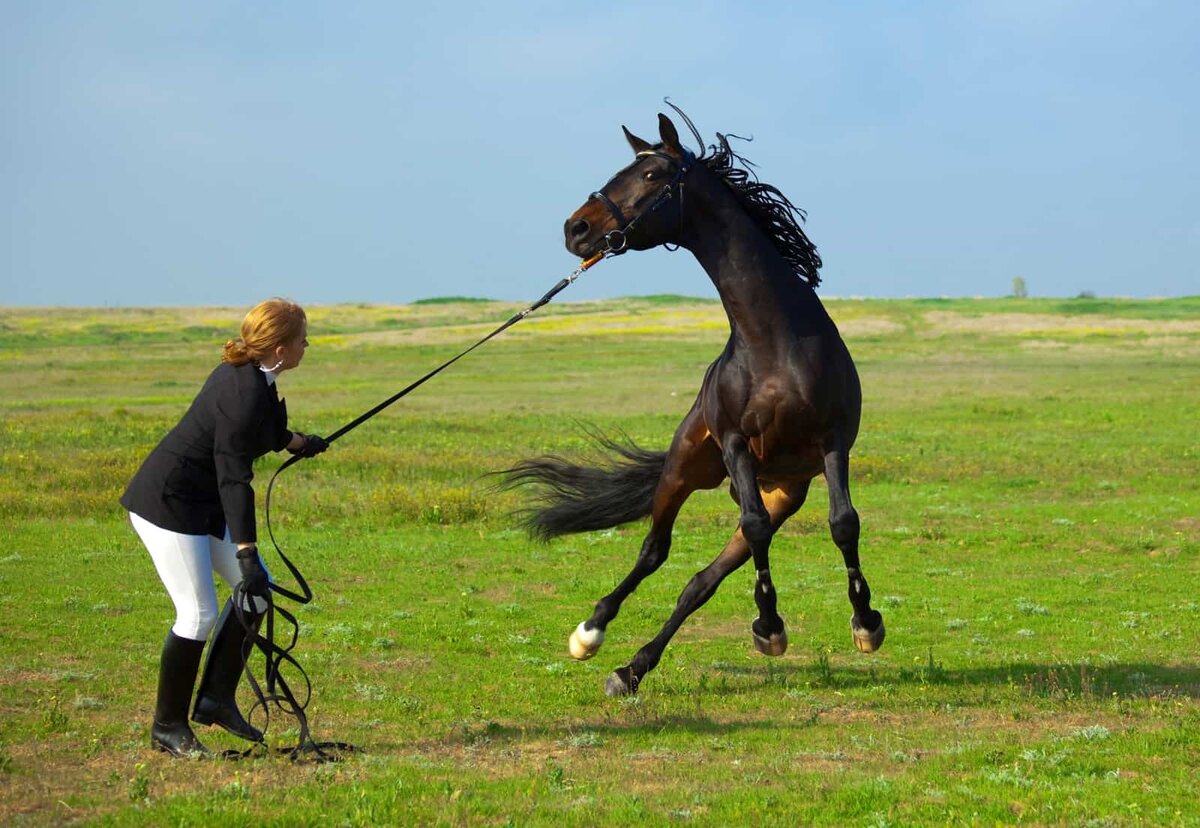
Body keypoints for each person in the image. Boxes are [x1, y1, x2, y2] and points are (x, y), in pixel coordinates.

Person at [121, 298, 329, 757]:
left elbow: (266, 431)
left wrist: (301, 443)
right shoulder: (242, 392)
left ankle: (215, 698)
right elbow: (234, 477)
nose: (306, 345)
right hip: (168, 506)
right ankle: (167, 726)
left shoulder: (256, 377)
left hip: (202, 506)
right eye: (301, 340)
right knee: (198, 615)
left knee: (255, 594)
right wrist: (246, 553)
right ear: (278, 347)